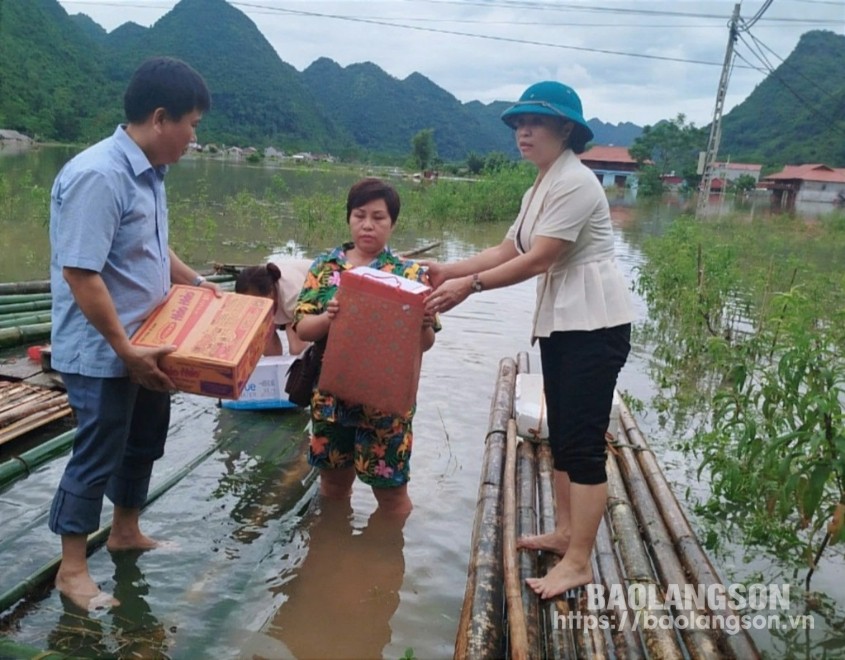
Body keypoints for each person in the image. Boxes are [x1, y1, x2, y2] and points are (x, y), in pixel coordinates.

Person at [425, 81, 634, 599]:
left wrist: (467, 287)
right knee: (563, 434)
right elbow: (506, 248)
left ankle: (580, 561)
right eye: (518, 124)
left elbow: (539, 258)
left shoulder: (578, 184)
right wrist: (447, 269)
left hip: (594, 326)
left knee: (582, 445)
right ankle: (565, 532)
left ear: (565, 130)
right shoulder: (541, 184)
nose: (523, 131)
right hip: (563, 325)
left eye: (535, 123)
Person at [48, 56, 214, 610]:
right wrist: (125, 349)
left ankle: (125, 530)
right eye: (191, 124)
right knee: (97, 453)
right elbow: (81, 272)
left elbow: (150, 249)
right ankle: (72, 570)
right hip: (105, 351)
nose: (194, 137)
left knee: (143, 441)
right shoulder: (100, 174)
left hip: (153, 340)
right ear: (161, 118)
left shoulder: (149, 172)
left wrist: (198, 283)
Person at [292, 178, 439, 517]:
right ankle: (340, 556)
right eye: (360, 215)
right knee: (332, 488)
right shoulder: (325, 268)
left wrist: (424, 322)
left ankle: (386, 557)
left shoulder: (410, 273)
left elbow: (425, 345)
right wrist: (330, 317)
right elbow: (303, 328)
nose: (368, 225)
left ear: (392, 223)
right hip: (330, 399)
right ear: (348, 218)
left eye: (378, 217)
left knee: (392, 497)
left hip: (386, 405)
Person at [234, 260, 311, 355]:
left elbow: (306, 329)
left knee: (297, 350)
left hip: (310, 299)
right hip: (282, 302)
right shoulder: (262, 278)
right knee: (263, 335)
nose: (253, 307)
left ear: (270, 292)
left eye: (257, 303)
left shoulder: (293, 296)